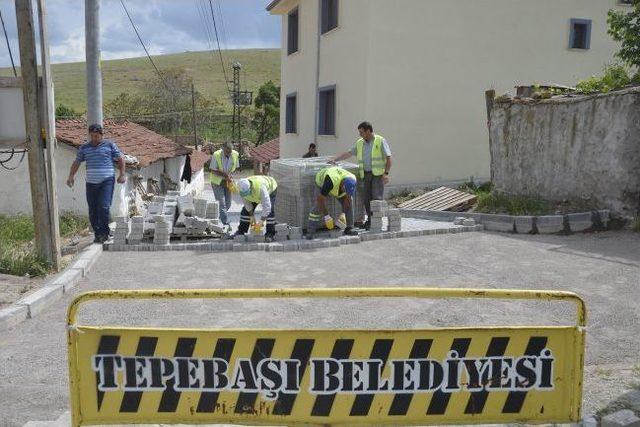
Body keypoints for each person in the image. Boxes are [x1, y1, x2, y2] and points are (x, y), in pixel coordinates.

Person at [66, 124, 126, 243]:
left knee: (103, 207)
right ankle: (98, 234)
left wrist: (122, 174)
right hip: (91, 183)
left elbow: (121, 159)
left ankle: (105, 232)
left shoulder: (109, 145)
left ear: (101, 135)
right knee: (93, 209)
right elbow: (77, 162)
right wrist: (71, 176)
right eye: (92, 136)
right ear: (89, 135)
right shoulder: (84, 148)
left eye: (97, 136)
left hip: (107, 181)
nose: (94, 138)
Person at [330, 121, 392, 229]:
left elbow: (389, 158)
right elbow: (349, 153)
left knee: (376, 199)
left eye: (361, 132)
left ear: (368, 131)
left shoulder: (380, 140)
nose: (360, 135)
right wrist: (335, 159)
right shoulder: (360, 142)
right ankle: (370, 220)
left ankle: (376, 221)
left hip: (377, 175)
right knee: (366, 199)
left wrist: (386, 174)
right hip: (365, 175)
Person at [307, 166, 359, 239]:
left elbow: (348, 198)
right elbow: (320, 200)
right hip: (321, 184)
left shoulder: (352, 179)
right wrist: (327, 216)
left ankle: (349, 228)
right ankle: (310, 232)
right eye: (345, 191)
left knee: (350, 201)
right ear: (342, 185)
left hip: (337, 186)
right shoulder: (330, 182)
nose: (346, 192)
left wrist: (343, 214)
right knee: (317, 207)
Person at [235, 176, 278, 242]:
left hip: (271, 188)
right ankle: (241, 231)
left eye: (247, 193)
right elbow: (247, 203)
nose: (245, 194)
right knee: (245, 211)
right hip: (255, 195)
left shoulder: (261, 188)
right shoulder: (241, 188)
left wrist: (261, 221)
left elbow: (267, 207)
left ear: (250, 188)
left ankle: (270, 233)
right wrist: (252, 216)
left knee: (270, 212)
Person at [210, 142, 239, 229]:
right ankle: (225, 223)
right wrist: (226, 175)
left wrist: (230, 176)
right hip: (217, 182)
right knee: (222, 204)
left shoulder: (235, 154)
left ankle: (218, 218)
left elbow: (235, 168)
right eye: (226, 152)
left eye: (230, 152)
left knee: (228, 204)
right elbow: (213, 170)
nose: (228, 154)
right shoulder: (216, 155)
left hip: (227, 182)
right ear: (223, 149)